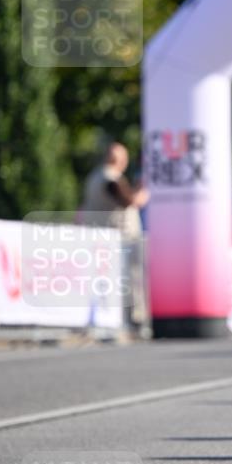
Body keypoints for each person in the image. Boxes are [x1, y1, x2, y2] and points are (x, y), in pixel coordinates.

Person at [80, 142, 150, 331]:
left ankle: (112, 319)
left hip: (100, 238)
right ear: (119, 160)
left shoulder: (93, 177)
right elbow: (128, 200)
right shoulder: (110, 178)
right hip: (120, 239)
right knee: (130, 280)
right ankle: (133, 321)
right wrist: (144, 191)